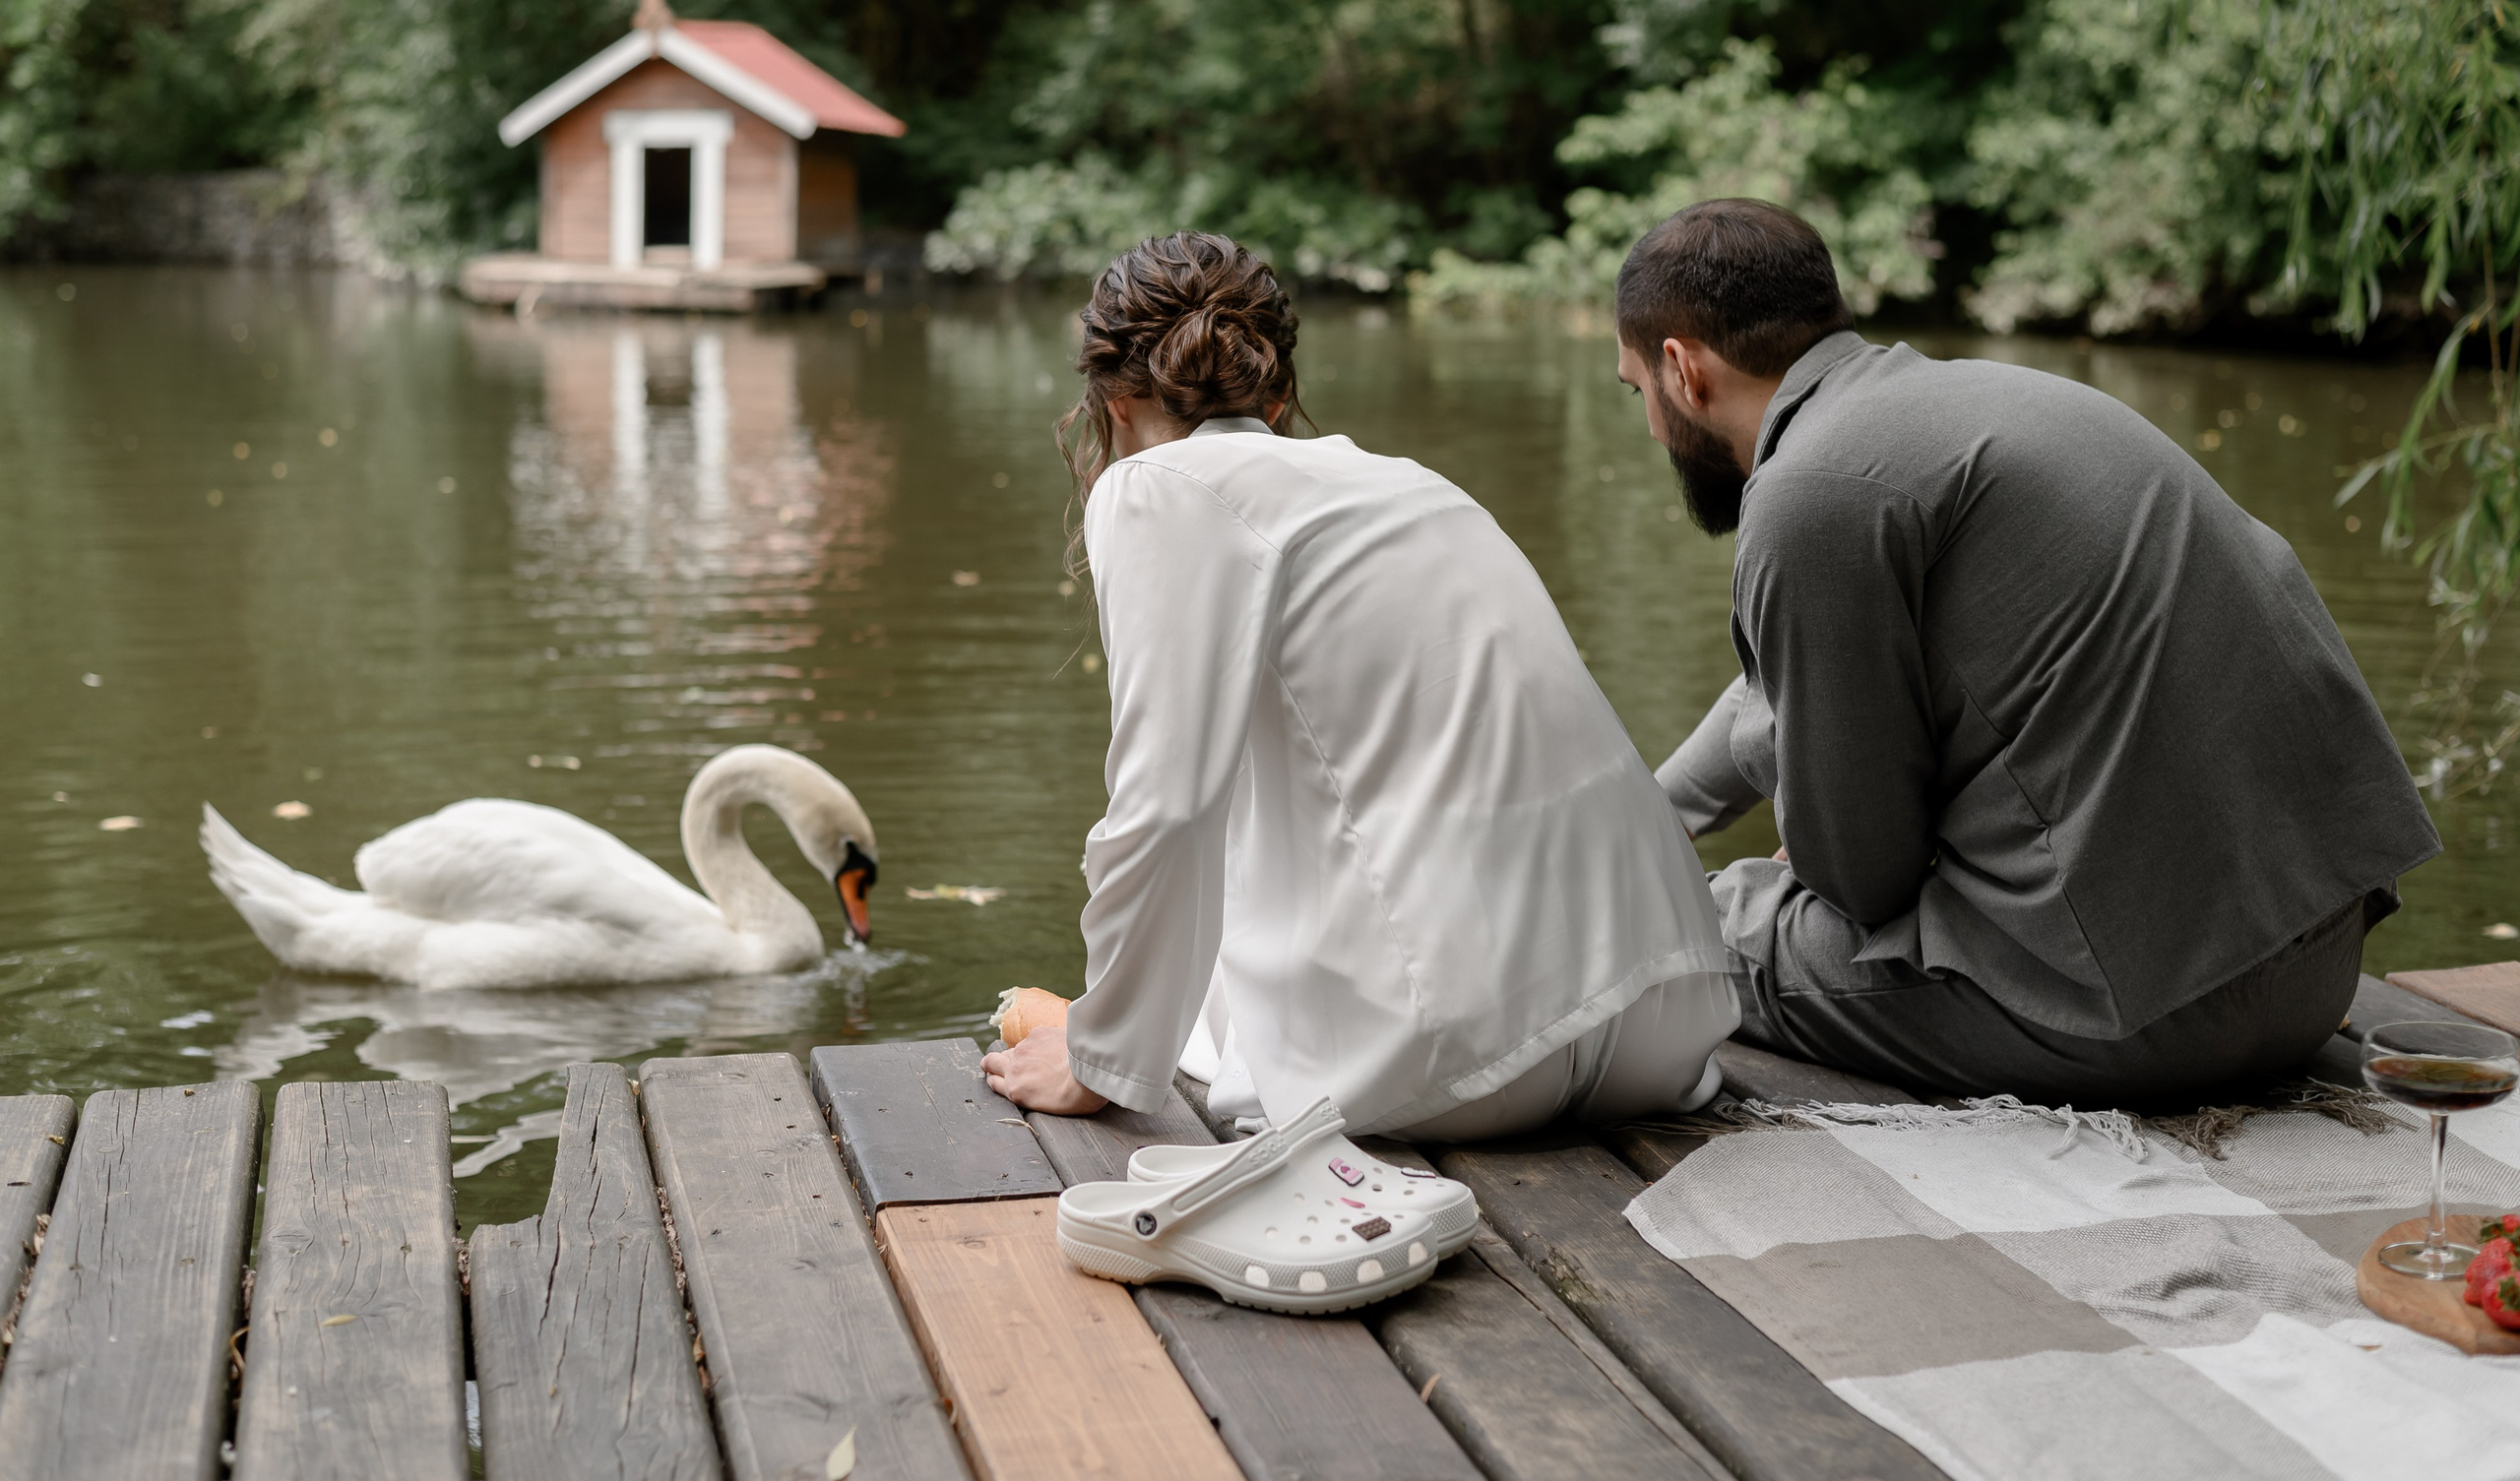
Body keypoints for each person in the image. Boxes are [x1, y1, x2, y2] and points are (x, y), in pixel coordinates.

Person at [1622, 198, 2441, 1103]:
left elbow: (1858, 883)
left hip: (2141, 1019)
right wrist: (1643, 815)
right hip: (2314, 968)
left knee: (1667, 926)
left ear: (1682, 369)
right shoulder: (1985, 405)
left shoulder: (1806, 493)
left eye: (1637, 395)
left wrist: (1795, 832)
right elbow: (1778, 689)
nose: (1653, 429)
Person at [981, 231, 1737, 1139]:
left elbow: (1165, 806)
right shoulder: (1408, 483)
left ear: (1113, 397)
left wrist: (1102, 1058)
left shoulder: (1154, 485)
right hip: (1665, 1016)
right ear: (1280, 391)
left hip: (1460, 1059)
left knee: (1215, 941)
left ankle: (1094, 1032)